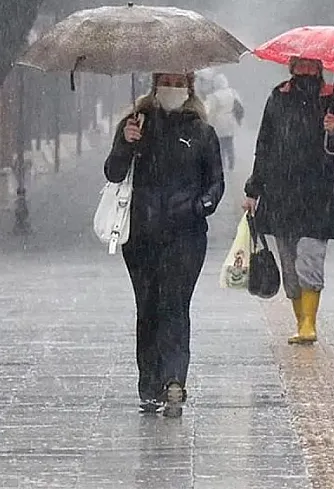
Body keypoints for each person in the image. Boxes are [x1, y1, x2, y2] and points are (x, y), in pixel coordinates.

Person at [104, 72, 225, 417]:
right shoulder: (136, 124)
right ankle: (149, 384)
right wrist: (127, 143)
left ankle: (174, 379)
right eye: (165, 80)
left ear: (189, 87)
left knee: (175, 304)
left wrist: (198, 206)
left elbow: (215, 183)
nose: (172, 87)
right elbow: (113, 172)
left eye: (178, 81)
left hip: (185, 236)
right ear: (155, 84)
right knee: (149, 307)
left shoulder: (202, 132)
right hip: (141, 234)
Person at [242, 56, 334, 345]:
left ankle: (310, 323)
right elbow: (265, 146)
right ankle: (299, 321)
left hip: (320, 196)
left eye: (311, 65)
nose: (305, 70)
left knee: (310, 258)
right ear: (291, 67)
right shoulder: (278, 96)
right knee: (289, 265)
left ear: (320, 68)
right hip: (281, 194)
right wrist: (253, 189)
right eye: (300, 65)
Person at [204, 73, 244, 171]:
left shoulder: (214, 96)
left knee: (220, 145)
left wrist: (208, 123)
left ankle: (222, 165)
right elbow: (239, 107)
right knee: (229, 144)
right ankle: (231, 165)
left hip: (218, 123)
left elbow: (211, 111)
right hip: (230, 121)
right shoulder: (232, 93)